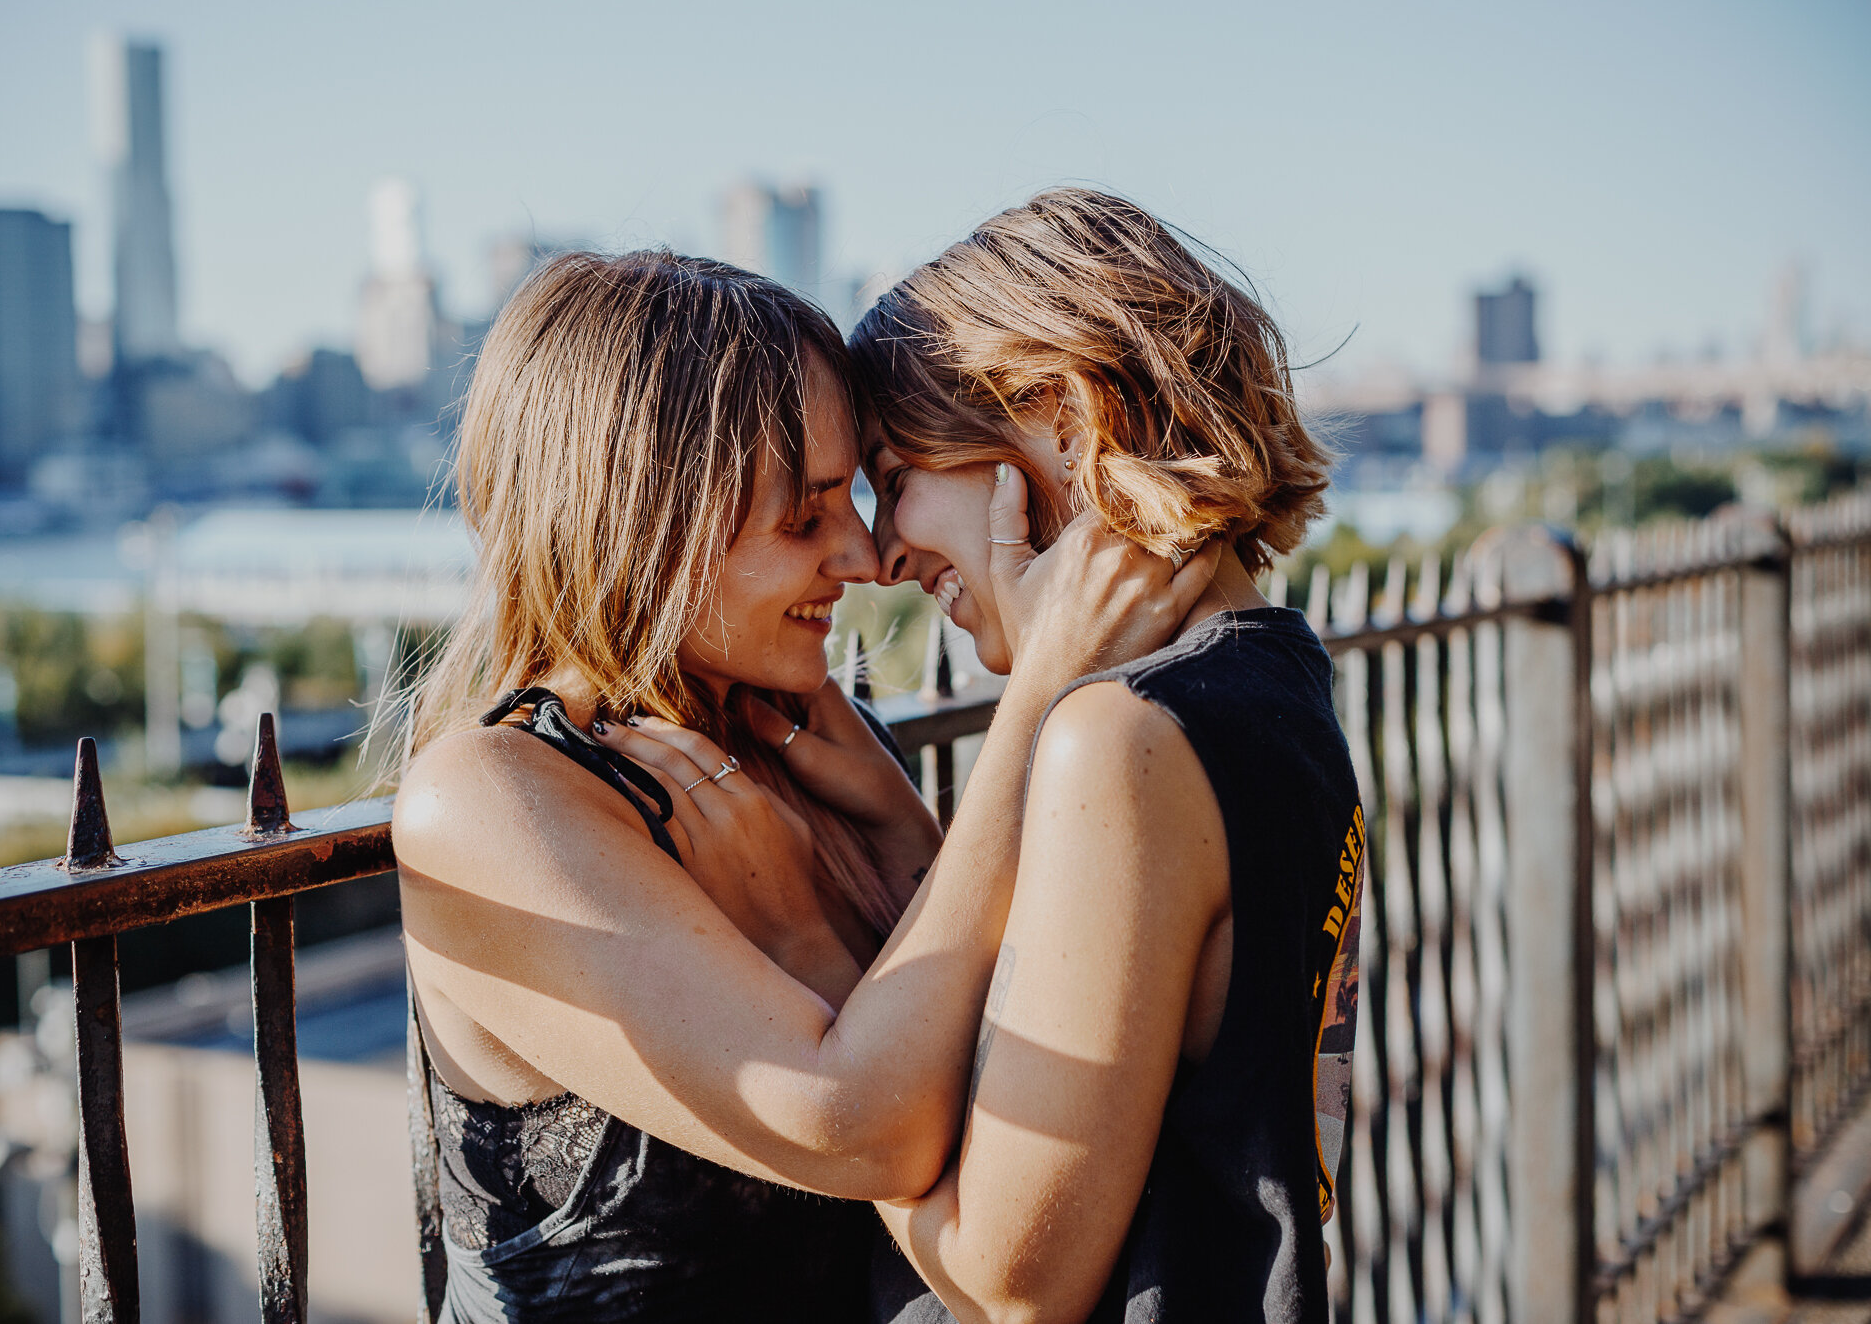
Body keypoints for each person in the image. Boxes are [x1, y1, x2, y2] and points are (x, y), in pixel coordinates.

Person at [393, 248, 1207, 1322]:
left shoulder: (806, 737)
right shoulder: (492, 801)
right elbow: (868, 1127)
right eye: (803, 514)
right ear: (642, 524)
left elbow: (993, 1064)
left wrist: (898, 828)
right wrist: (1041, 694)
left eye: (857, 499)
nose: (866, 558)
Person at [827, 187, 1364, 1323]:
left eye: (894, 470)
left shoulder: (1115, 743)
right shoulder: (1271, 671)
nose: (876, 550)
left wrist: (849, 1097)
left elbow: (1011, 1279)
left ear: (1061, 415)